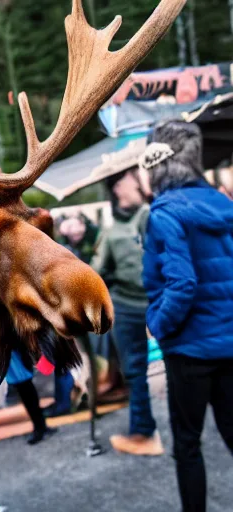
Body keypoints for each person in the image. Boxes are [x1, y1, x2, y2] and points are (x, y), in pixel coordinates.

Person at [138, 121, 233, 512]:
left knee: (188, 445)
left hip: (190, 351)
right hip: (229, 344)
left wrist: (157, 325)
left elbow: (182, 284)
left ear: (155, 165)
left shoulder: (164, 215)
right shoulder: (225, 205)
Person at [91, 151, 163, 456]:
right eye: (131, 177)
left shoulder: (151, 215)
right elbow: (97, 271)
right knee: (134, 371)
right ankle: (143, 432)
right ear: (119, 187)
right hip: (126, 306)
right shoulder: (110, 231)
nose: (136, 181)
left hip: (159, 301)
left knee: (182, 361)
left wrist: (148, 190)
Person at [6, 349, 56, 444]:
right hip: (14, 362)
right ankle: (40, 427)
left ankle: (40, 428)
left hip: (16, 361)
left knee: (30, 398)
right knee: (29, 398)